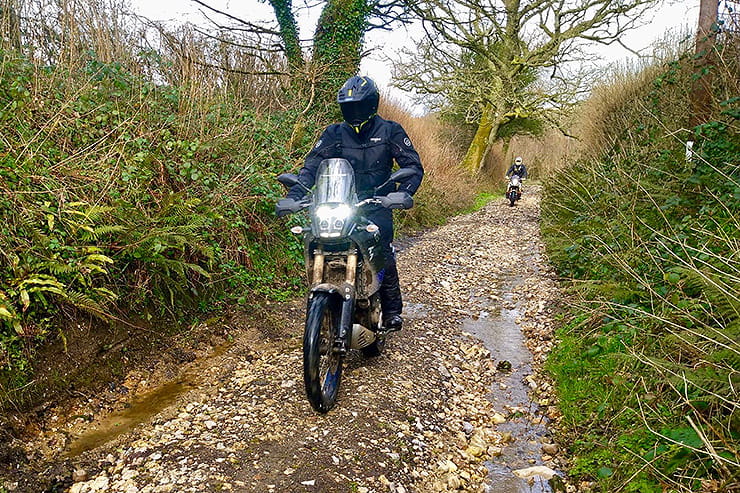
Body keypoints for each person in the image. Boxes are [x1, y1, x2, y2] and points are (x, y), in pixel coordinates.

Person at [284, 75, 424, 332]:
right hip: (338, 203)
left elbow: (412, 166)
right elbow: (311, 166)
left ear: (371, 104)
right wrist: (295, 194)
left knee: (383, 251)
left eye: (359, 105)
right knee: (320, 244)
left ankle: (392, 310)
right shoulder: (333, 133)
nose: (354, 111)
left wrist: (402, 193)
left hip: (377, 204)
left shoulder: (390, 131)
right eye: (349, 106)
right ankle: (323, 306)